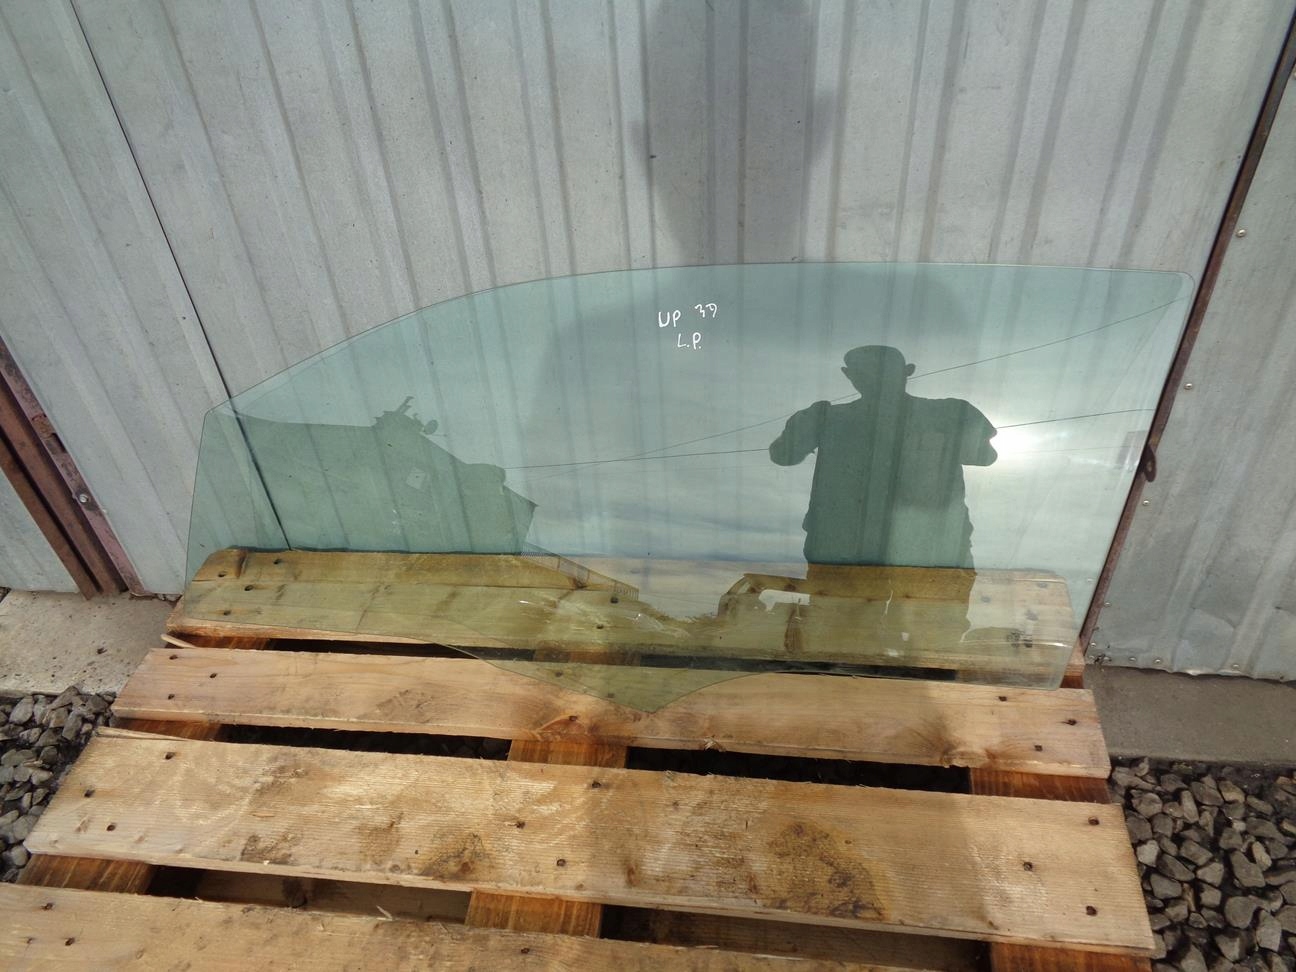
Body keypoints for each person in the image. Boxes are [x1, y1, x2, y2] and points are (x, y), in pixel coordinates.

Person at [769, 345, 997, 568]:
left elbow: (985, 456)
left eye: (884, 371)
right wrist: (806, 422)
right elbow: (783, 455)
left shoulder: (948, 413)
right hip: (840, 556)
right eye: (865, 371)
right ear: (849, 375)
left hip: (931, 556)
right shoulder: (827, 418)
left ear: (906, 372)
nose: (875, 378)